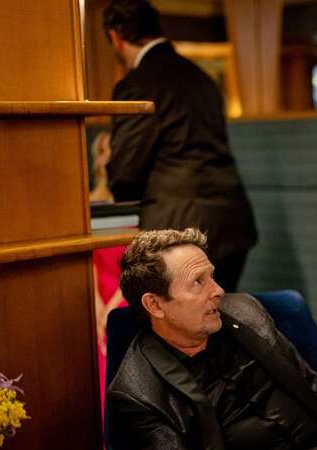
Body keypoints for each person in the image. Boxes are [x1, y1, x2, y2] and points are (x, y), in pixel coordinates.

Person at [106, 228, 317, 450]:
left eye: (212, 277)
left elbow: (314, 388)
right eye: (197, 282)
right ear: (155, 305)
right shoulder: (139, 395)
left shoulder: (244, 311)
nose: (218, 291)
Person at [103, 0, 257, 291]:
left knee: (179, 326)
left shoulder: (136, 85)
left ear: (115, 38)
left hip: (178, 227)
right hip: (232, 218)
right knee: (220, 314)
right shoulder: (203, 78)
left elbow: (125, 172)